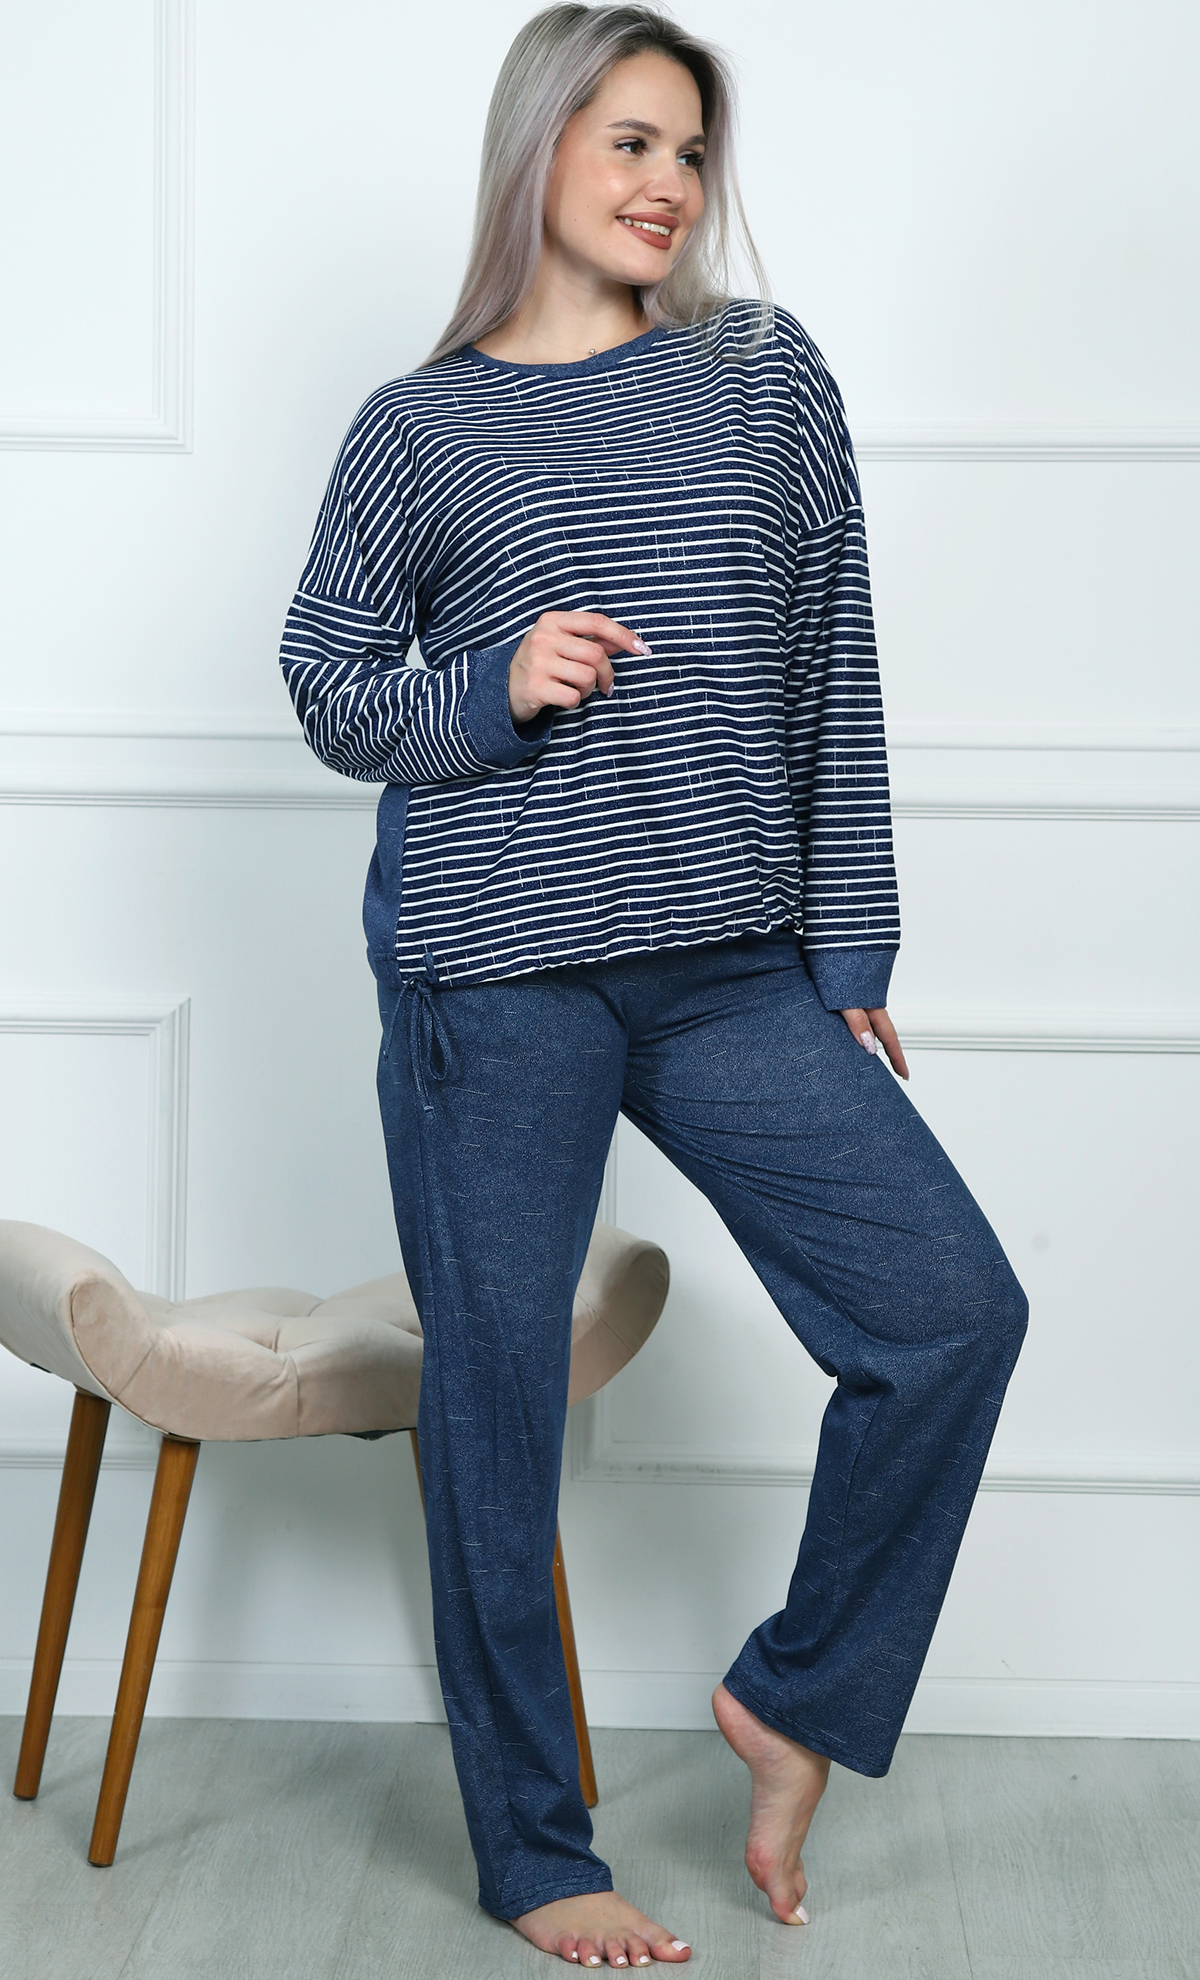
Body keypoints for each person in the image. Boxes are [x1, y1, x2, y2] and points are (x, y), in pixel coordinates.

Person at [280, 4, 1028, 1966]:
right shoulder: (418, 428)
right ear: (538, 147)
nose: (667, 184)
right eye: (628, 140)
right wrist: (488, 687)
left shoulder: (764, 374)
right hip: (491, 978)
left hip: (730, 972)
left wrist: (849, 951)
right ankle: (537, 1853)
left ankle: (795, 1697)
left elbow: (836, 660)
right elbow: (328, 682)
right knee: (498, 1409)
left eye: (690, 152)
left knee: (950, 1313)